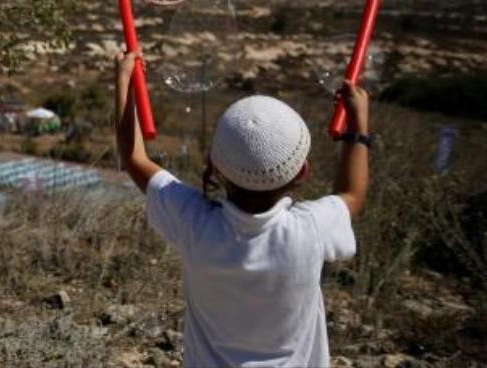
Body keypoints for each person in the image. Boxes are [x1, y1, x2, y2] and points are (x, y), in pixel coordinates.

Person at [115, 49, 370, 368]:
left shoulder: (194, 224)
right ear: (301, 172)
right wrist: (358, 125)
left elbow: (134, 158)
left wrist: (124, 79)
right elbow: (351, 194)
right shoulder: (311, 231)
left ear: (217, 167)